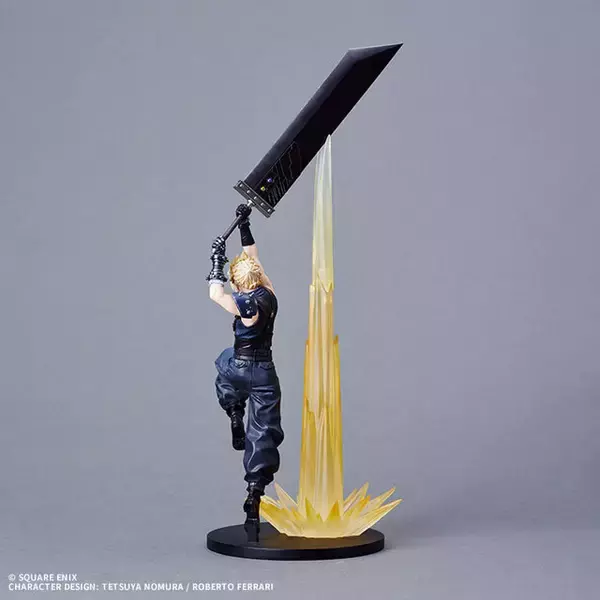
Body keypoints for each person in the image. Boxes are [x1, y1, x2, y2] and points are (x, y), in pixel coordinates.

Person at [206, 203, 284, 537]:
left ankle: (234, 409)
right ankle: (254, 493)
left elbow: (215, 294)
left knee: (223, 367)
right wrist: (244, 227)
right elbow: (254, 259)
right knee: (264, 431)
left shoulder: (241, 303)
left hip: (238, 364)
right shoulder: (269, 294)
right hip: (264, 372)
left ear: (238, 284)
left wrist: (216, 263)